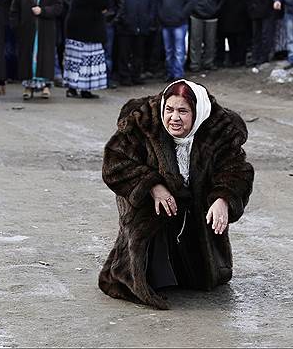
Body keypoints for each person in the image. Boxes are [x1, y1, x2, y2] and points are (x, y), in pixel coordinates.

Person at [99, 79, 254, 310]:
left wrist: (223, 198)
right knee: (142, 271)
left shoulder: (218, 129)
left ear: (197, 112)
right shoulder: (142, 123)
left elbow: (237, 170)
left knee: (199, 277)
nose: (174, 118)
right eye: (169, 110)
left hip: (193, 207)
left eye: (183, 111)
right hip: (150, 207)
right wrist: (152, 186)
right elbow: (114, 164)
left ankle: (191, 265)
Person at [12, 0, 63, 99]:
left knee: (44, 57)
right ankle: (28, 86)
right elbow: (15, 9)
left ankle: (45, 86)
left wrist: (43, 11)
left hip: (45, 29)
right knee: (27, 57)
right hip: (27, 29)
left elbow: (59, 7)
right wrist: (16, 26)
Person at [64, 0, 112, 99]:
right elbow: (102, 3)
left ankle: (71, 88)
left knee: (74, 60)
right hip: (89, 29)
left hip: (75, 27)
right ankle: (86, 89)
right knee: (88, 60)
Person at [115, 0, 156, 86]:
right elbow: (121, 6)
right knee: (124, 54)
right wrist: (125, 21)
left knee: (139, 54)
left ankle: (136, 75)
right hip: (126, 27)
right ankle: (125, 77)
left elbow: (152, 6)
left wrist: (148, 20)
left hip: (142, 26)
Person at [156, 0, 197, 81]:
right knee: (168, 50)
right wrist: (161, 16)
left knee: (179, 50)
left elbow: (191, 2)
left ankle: (178, 75)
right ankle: (170, 72)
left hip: (180, 24)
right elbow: (159, 2)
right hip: (166, 23)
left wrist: (181, 15)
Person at [188, 0, 222, 73]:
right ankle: (195, 64)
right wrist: (195, 9)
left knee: (210, 41)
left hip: (212, 16)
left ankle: (208, 62)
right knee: (195, 41)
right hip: (196, 15)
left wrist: (216, 10)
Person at [220, 0, 251, 67]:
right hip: (227, 13)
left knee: (241, 38)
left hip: (241, 13)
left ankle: (240, 59)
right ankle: (233, 59)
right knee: (231, 38)